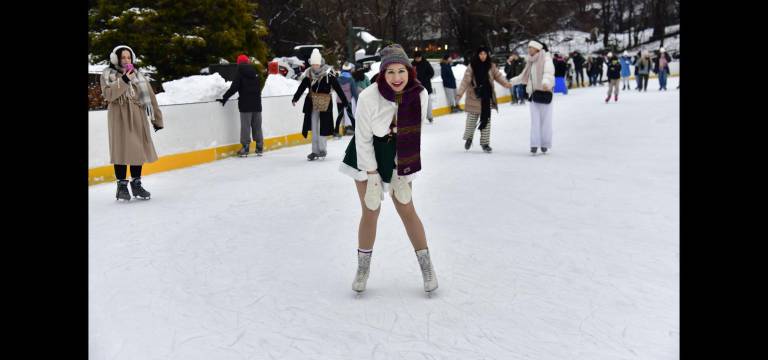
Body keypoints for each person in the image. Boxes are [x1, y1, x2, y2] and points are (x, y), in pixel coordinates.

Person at [338, 44, 438, 295]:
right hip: (366, 154)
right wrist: (372, 175)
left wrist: (401, 170)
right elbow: (362, 139)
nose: (396, 78)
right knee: (371, 210)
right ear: (382, 73)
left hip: (400, 154)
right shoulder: (369, 96)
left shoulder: (419, 94)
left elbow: (413, 135)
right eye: (390, 72)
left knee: (406, 208)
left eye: (401, 71)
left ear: (409, 71)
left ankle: (427, 268)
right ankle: (362, 269)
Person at [100, 45, 163, 201]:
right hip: (118, 116)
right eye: (123, 57)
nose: (126, 60)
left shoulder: (139, 76)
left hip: (137, 115)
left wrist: (156, 119)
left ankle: (136, 184)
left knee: (137, 150)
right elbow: (108, 95)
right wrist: (125, 79)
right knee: (120, 150)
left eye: (129, 57)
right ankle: (121, 186)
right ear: (116, 59)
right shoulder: (108, 74)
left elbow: (151, 98)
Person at [291, 49, 350, 161]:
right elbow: (302, 87)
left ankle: (322, 150)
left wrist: (345, 101)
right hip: (312, 104)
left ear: (320, 63)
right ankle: (314, 151)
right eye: (313, 64)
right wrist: (295, 98)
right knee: (314, 127)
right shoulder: (309, 74)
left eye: (316, 64)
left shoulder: (328, 74)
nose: (315, 66)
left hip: (325, 104)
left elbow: (337, 88)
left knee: (321, 127)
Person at [455, 46, 513, 153]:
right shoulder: (472, 66)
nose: (483, 56)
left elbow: (499, 76)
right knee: (471, 121)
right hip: (474, 97)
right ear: (477, 55)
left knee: (486, 120)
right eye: (481, 54)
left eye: (485, 54)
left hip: (487, 97)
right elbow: (465, 81)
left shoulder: (491, 66)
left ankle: (485, 144)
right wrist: (459, 94)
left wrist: (506, 84)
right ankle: (469, 138)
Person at [508, 40, 555, 155]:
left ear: (537, 48)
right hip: (534, 95)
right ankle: (534, 144)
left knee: (546, 121)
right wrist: (511, 82)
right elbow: (523, 76)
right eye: (528, 47)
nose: (528, 49)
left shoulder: (546, 59)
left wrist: (545, 82)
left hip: (545, 93)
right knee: (535, 121)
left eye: (530, 47)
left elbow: (548, 73)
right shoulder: (530, 61)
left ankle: (544, 144)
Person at [219, 54, 264, 157]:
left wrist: (224, 98)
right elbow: (259, 87)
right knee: (257, 126)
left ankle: (245, 148)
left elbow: (233, 88)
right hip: (257, 104)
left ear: (238, 63)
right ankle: (259, 147)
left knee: (245, 127)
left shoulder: (240, 73)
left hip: (245, 104)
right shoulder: (255, 72)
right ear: (247, 62)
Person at [334, 62, 358, 138]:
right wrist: (357, 101)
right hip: (347, 100)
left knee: (340, 116)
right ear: (350, 70)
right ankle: (356, 131)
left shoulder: (338, 79)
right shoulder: (351, 80)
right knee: (350, 115)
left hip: (339, 100)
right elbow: (354, 92)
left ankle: (336, 132)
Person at [412, 51, 435, 123]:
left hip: (426, 86)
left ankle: (430, 116)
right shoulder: (412, 64)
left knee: (428, 102)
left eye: (419, 57)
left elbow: (432, 73)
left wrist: (426, 79)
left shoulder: (426, 63)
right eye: (416, 58)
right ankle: (417, 117)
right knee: (417, 103)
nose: (418, 59)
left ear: (421, 57)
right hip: (416, 87)